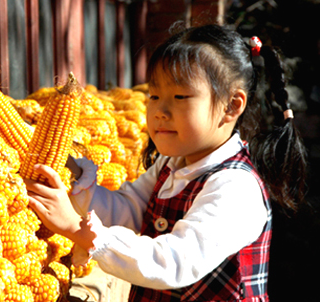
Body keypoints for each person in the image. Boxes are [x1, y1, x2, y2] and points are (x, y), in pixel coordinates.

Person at [24, 23, 307, 301]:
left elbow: (172, 262)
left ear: (232, 106)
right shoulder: (172, 163)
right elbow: (129, 210)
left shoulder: (235, 188)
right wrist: (76, 187)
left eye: (180, 96)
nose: (160, 110)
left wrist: (77, 229)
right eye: (154, 96)